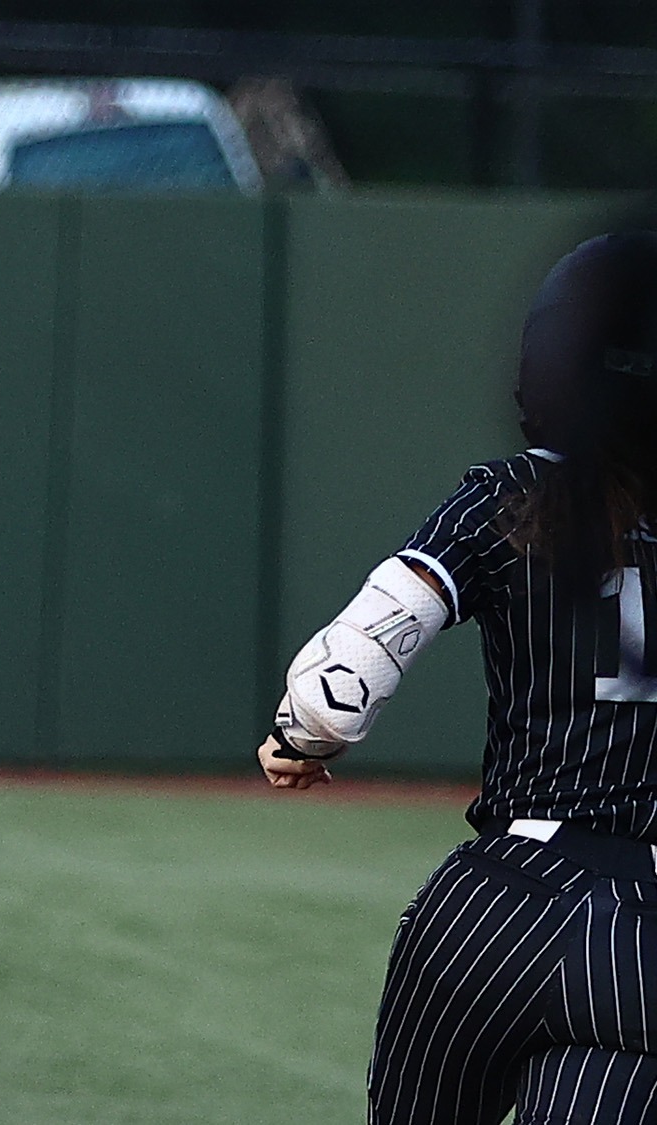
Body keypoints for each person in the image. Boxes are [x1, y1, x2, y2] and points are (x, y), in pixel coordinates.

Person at [258, 231, 657, 1123]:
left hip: (494, 912)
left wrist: (299, 740)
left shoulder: (512, 495)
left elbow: (342, 679)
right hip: (640, 956)